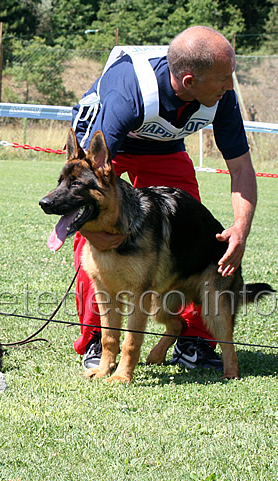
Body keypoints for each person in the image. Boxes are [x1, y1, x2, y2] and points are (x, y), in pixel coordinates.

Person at [65, 25, 257, 371]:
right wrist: (88, 230)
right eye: (223, 79)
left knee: (195, 231)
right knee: (97, 238)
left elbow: (241, 167)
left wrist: (241, 228)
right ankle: (97, 340)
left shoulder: (220, 94)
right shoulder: (129, 92)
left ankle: (194, 340)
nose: (231, 87)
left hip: (164, 150)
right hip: (106, 149)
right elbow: (84, 177)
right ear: (189, 81)